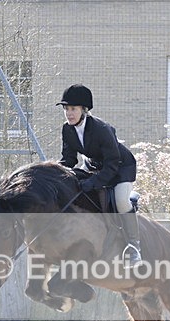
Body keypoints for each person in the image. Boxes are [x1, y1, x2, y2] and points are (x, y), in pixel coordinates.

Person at [56, 84, 142, 266]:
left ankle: (134, 247)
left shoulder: (101, 129)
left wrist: (94, 182)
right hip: (94, 166)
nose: (69, 113)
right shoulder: (67, 129)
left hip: (120, 168)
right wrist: (55, 173)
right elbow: (69, 160)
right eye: (66, 109)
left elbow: (112, 164)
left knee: (120, 200)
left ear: (84, 110)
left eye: (73, 109)